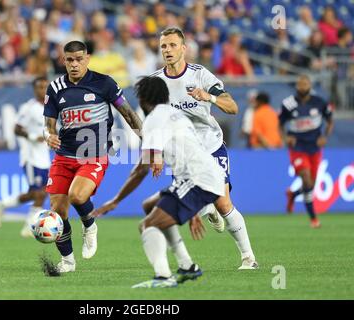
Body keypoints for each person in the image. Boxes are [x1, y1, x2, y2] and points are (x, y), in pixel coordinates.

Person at [96, 27, 258, 271]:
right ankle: (188, 258)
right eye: (163, 46)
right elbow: (154, 123)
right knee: (174, 205)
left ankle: (248, 258)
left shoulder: (201, 75)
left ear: (183, 48)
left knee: (224, 203)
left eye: (172, 45)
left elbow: (232, 107)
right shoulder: (156, 83)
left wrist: (209, 97)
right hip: (182, 154)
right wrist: (157, 153)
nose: (167, 50)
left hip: (210, 145)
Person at [42, 40, 142, 274]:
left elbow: (128, 113)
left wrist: (149, 142)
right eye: (69, 60)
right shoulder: (55, 88)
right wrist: (49, 136)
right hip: (64, 155)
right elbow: (49, 125)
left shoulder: (104, 83)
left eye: (79, 59)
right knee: (57, 211)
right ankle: (67, 261)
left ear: (87, 58)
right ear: (63, 60)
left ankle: (89, 225)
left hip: (93, 154)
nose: (74, 65)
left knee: (77, 196)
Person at [130, 76, 227, 288]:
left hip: (199, 180)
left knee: (147, 225)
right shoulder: (176, 115)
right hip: (200, 177)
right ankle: (187, 266)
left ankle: (163, 277)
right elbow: (184, 158)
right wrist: (191, 209)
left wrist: (114, 201)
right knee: (148, 206)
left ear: (144, 99)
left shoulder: (155, 118)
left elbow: (141, 168)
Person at [0, 76, 51, 237]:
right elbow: (17, 128)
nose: (43, 90)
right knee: (39, 193)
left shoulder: (50, 107)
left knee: (39, 193)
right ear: (34, 89)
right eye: (40, 87)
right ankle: (29, 227)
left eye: (46, 87)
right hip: (31, 156)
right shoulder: (29, 108)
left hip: (44, 156)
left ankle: (2, 204)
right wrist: (33, 137)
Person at [280, 75, 334, 228]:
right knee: (306, 177)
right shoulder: (288, 104)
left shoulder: (320, 102)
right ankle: (314, 219)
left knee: (310, 185)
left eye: (305, 83)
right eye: (300, 84)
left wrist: (325, 136)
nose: (303, 86)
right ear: (297, 86)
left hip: (314, 148)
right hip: (297, 148)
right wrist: (285, 138)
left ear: (310, 85)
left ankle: (293, 194)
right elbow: (280, 124)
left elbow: (330, 120)